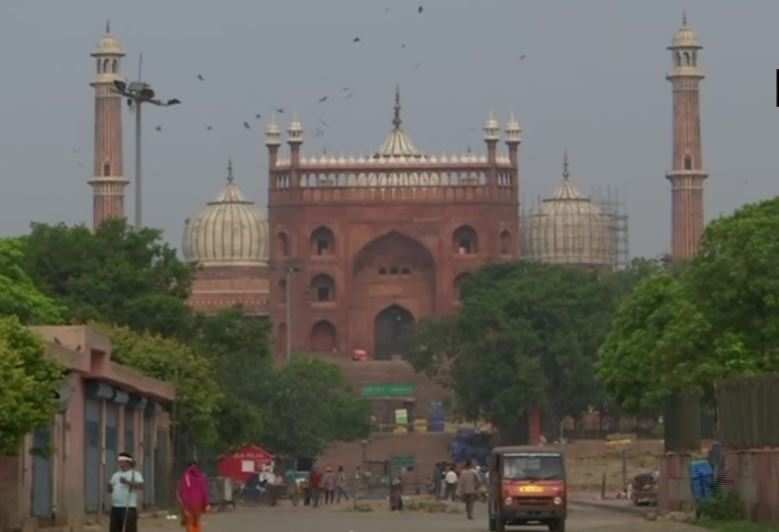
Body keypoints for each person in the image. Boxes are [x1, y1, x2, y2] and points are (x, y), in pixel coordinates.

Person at [107, 452, 143, 532]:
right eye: (119, 461)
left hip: (128, 508)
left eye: (121, 461)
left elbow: (141, 487)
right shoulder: (115, 475)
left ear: (127, 462)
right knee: (114, 529)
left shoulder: (135, 474)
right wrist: (109, 487)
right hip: (115, 507)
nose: (119, 463)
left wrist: (127, 482)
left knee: (129, 529)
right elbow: (110, 489)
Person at [177, 461, 209, 532]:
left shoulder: (185, 476)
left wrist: (183, 506)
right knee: (196, 522)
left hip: (188, 504)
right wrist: (206, 504)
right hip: (198, 503)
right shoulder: (201, 476)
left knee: (189, 523)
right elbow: (204, 491)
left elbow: (182, 491)